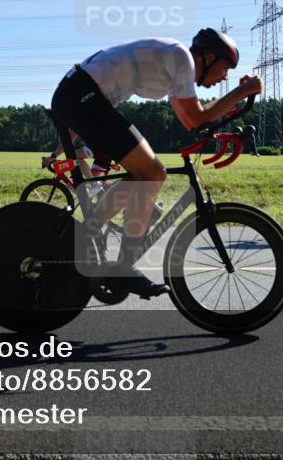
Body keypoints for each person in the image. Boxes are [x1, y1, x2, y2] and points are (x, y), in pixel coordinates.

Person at [50, 29, 261, 298]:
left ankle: (86, 233)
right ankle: (121, 266)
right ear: (209, 58)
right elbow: (198, 118)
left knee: (145, 174)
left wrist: (231, 109)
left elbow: (192, 123)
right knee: (153, 173)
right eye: (225, 69)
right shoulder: (182, 58)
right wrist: (241, 92)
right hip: (83, 96)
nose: (224, 77)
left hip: (81, 94)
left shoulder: (177, 70)